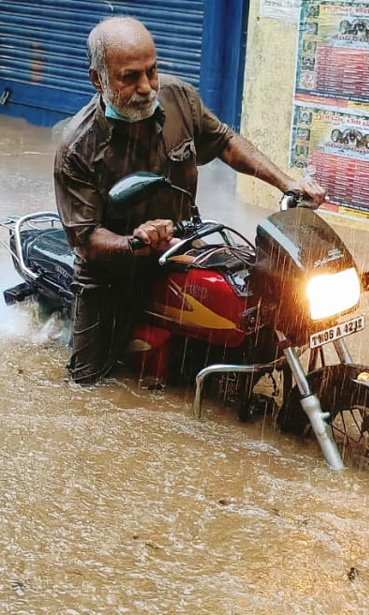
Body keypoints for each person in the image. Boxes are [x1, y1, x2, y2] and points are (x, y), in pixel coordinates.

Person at [54, 16, 326, 384]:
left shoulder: (178, 97)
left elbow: (225, 142)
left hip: (183, 247)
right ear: (98, 79)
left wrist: (287, 182)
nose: (147, 86)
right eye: (130, 77)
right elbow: (85, 240)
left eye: (152, 71)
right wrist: (136, 241)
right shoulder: (78, 148)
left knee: (258, 310)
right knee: (87, 384)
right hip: (111, 275)